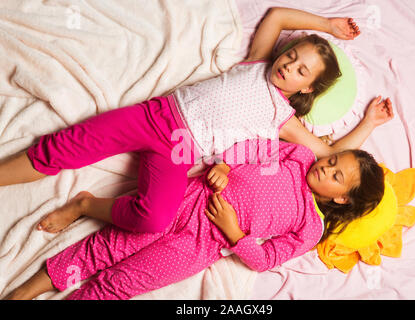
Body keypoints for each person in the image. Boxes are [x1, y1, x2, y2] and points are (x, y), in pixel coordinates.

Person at [0, 7, 392, 235]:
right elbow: (276, 15)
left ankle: (85, 205)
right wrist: (328, 26)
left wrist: (370, 123)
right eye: (292, 56)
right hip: (155, 117)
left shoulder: (284, 120)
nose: (289, 65)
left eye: (301, 69)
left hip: (182, 153)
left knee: (154, 219)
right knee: (62, 147)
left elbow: (330, 152)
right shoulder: (256, 63)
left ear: (306, 88)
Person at [4, 138, 385, 300]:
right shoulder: (298, 156)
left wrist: (235, 232)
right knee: (104, 249)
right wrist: (224, 165)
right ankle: (25, 292)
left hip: (202, 245)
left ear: (340, 198)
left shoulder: (310, 226)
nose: (326, 166)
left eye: (336, 175)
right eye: (333, 159)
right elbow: (251, 148)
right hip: (190, 198)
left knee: (121, 283)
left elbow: (266, 260)